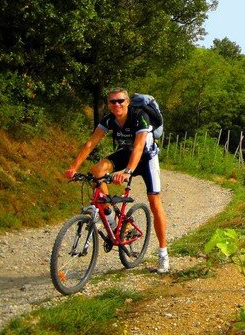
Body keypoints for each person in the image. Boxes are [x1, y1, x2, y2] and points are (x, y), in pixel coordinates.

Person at [64, 87, 169, 274]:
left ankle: (163, 253)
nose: (117, 104)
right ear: (109, 104)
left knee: (154, 201)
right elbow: (90, 143)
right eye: (113, 101)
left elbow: (138, 148)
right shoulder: (109, 119)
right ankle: (111, 217)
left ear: (127, 102)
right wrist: (74, 167)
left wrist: (128, 172)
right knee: (97, 170)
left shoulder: (139, 116)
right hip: (125, 153)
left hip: (146, 158)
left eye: (121, 101)